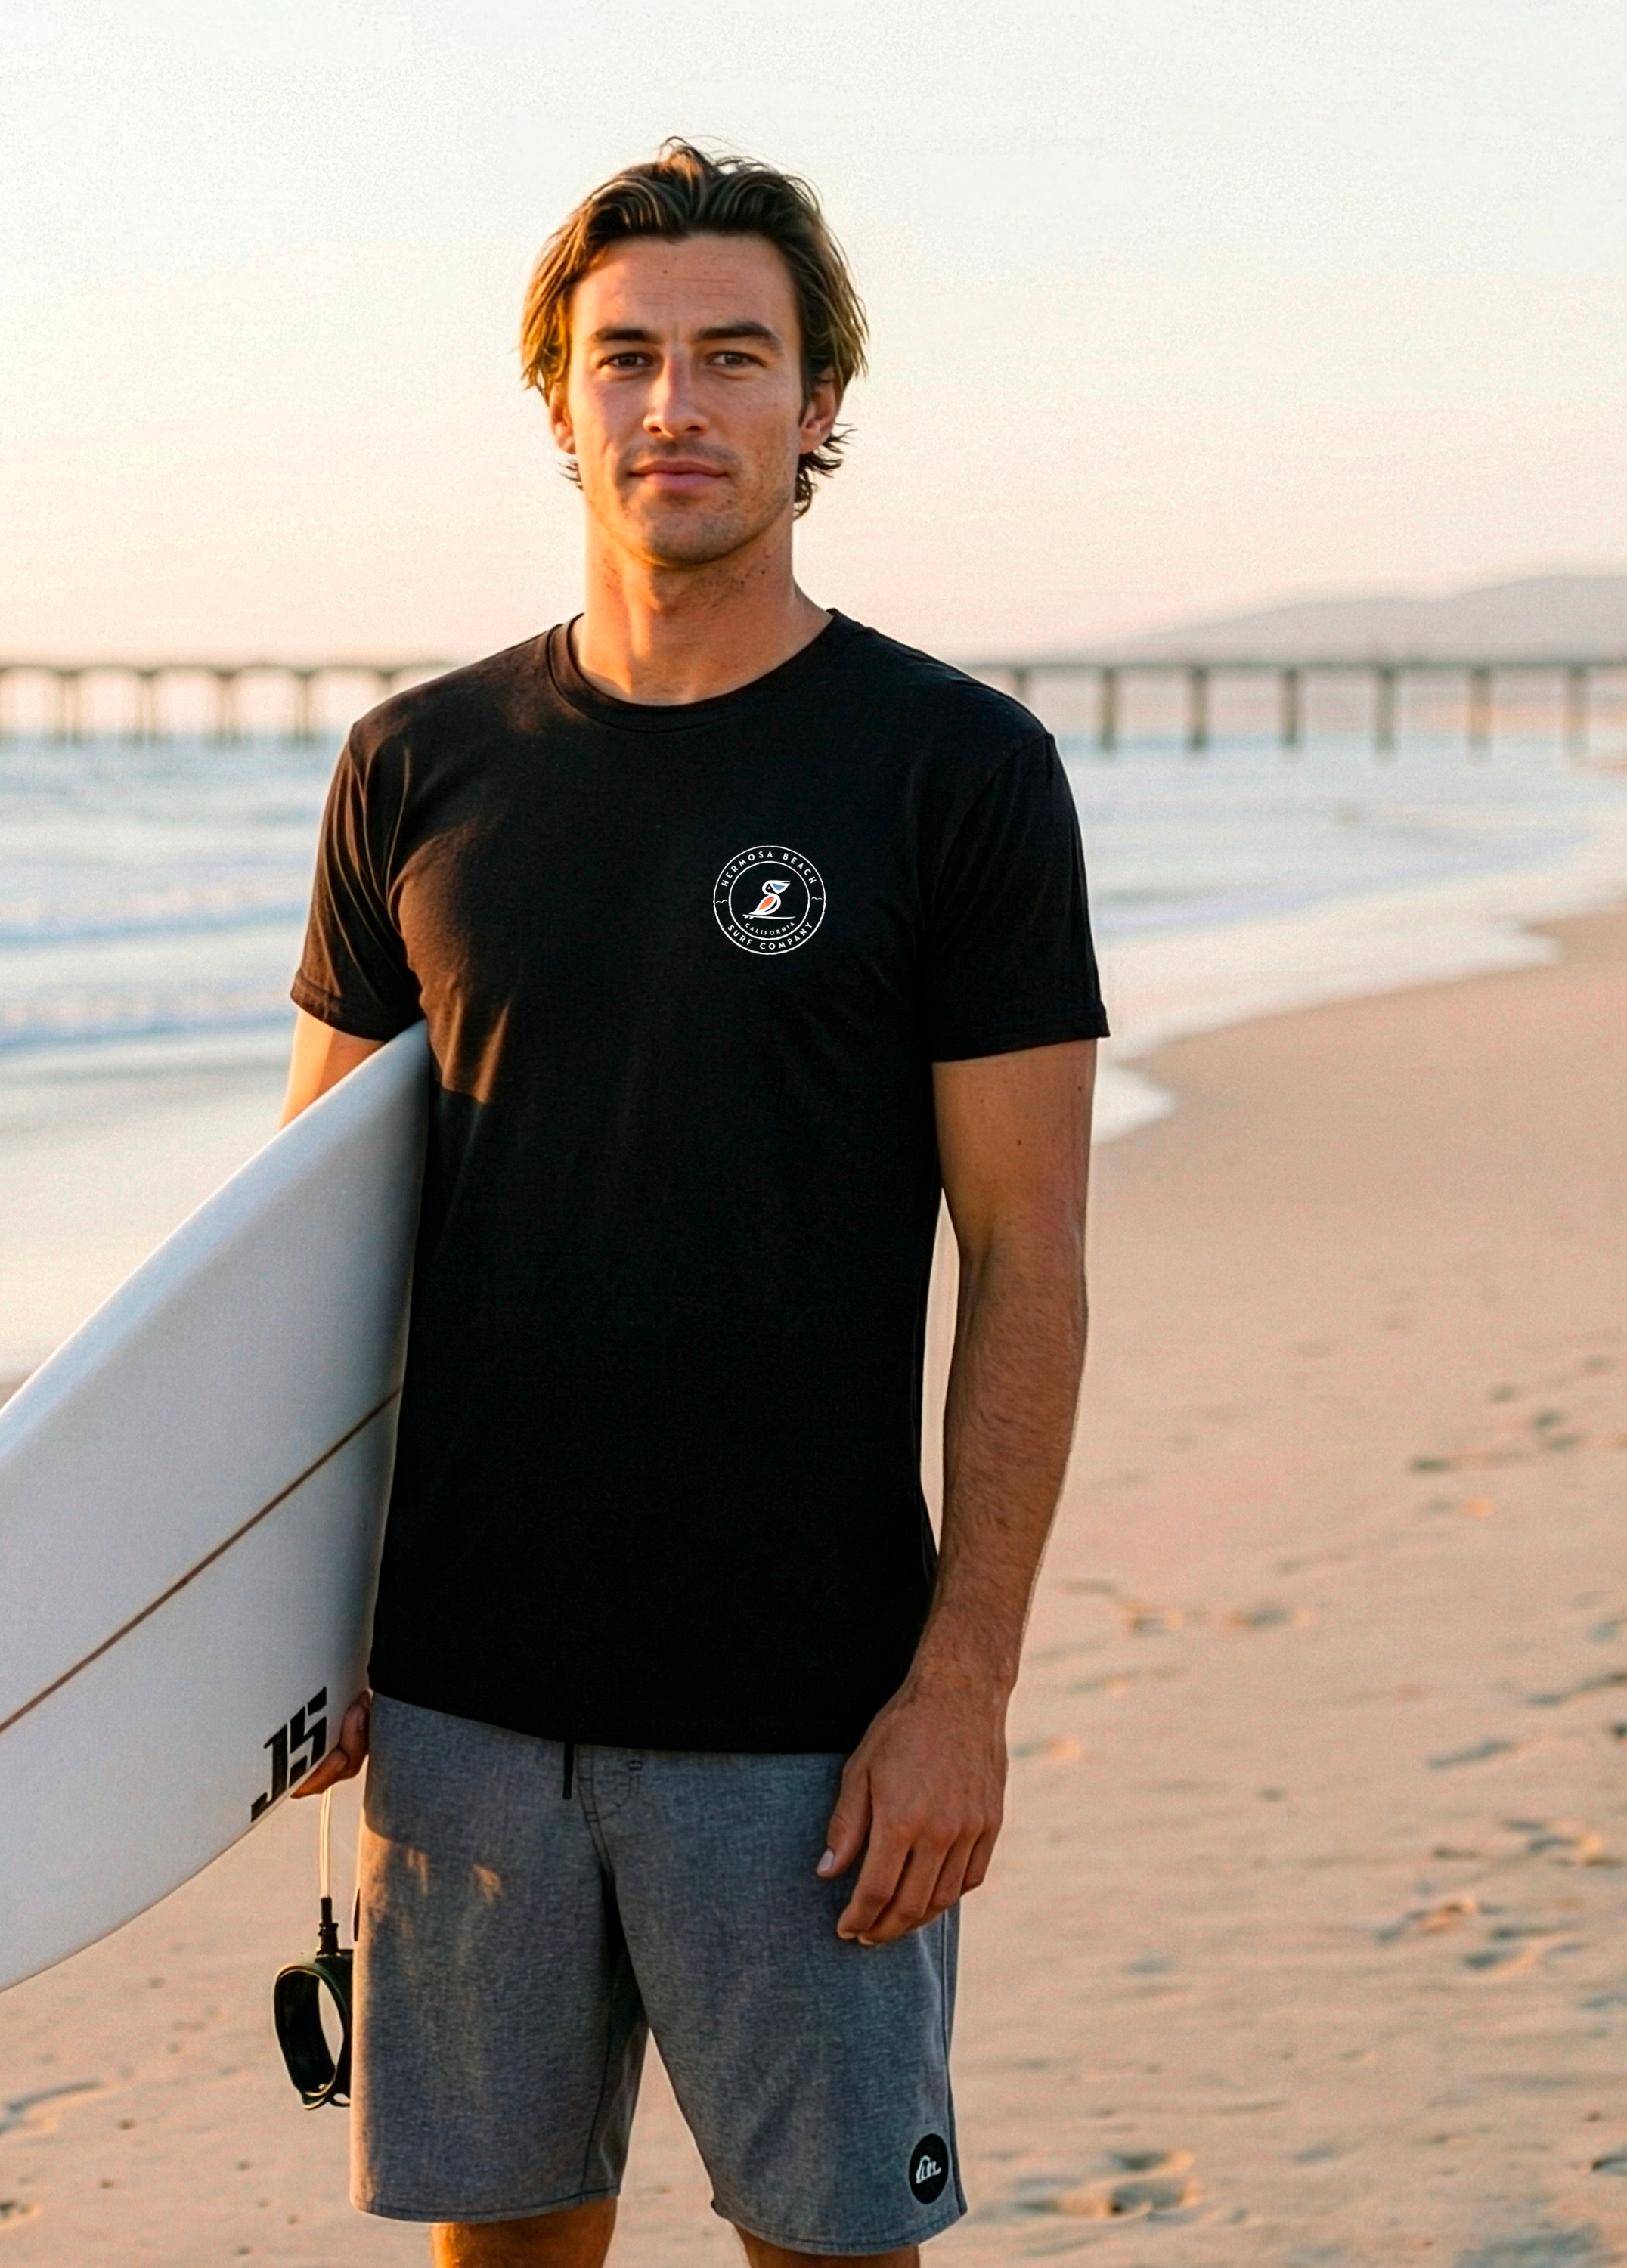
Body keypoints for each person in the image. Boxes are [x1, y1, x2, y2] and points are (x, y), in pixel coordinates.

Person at [280, 140, 1105, 2268]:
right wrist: (290, 1637)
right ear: (555, 397)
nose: (676, 405)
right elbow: (309, 1260)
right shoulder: (414, 764)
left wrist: (962, 1691)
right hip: (463, 1719)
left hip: (806, 1726)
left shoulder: (956, 771)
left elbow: (1028, 1264)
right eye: (626, 357)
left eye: (734, 356)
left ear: (819, 402)